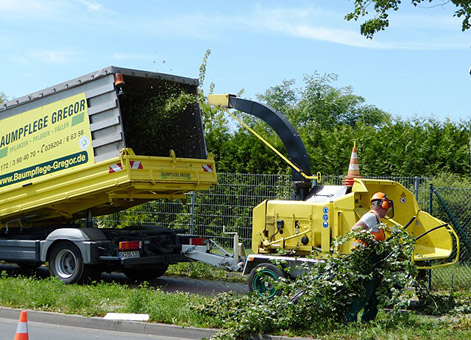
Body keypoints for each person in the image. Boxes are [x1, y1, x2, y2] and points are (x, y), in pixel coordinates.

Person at [344, 192, 392, 324]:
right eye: (386, 205)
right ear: (382, 204)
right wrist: (372, 242)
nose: (387, 209)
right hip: (365, 259)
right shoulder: (371, 216)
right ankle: (349, 320)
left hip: (373, 259)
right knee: (366, 291)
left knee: (374, 293)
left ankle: (368, 320)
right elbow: (355, 230)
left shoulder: (377, 220)